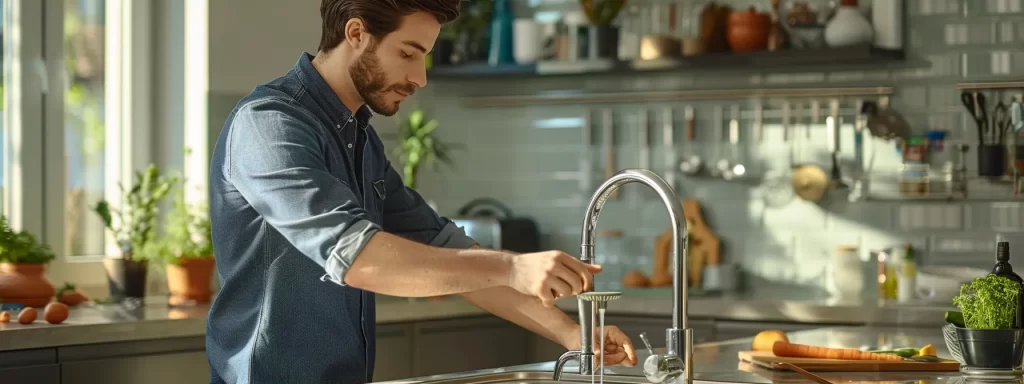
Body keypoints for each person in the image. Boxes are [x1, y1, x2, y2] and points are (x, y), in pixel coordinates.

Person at [206, 1, 638, 383]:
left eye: (425, 56)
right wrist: (511, 266)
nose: (420, 77)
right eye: (408, 53)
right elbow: (358, 258)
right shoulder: (269, 125)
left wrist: (577, 336)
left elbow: (448, 250)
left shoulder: (359, 139)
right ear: (356, 34)